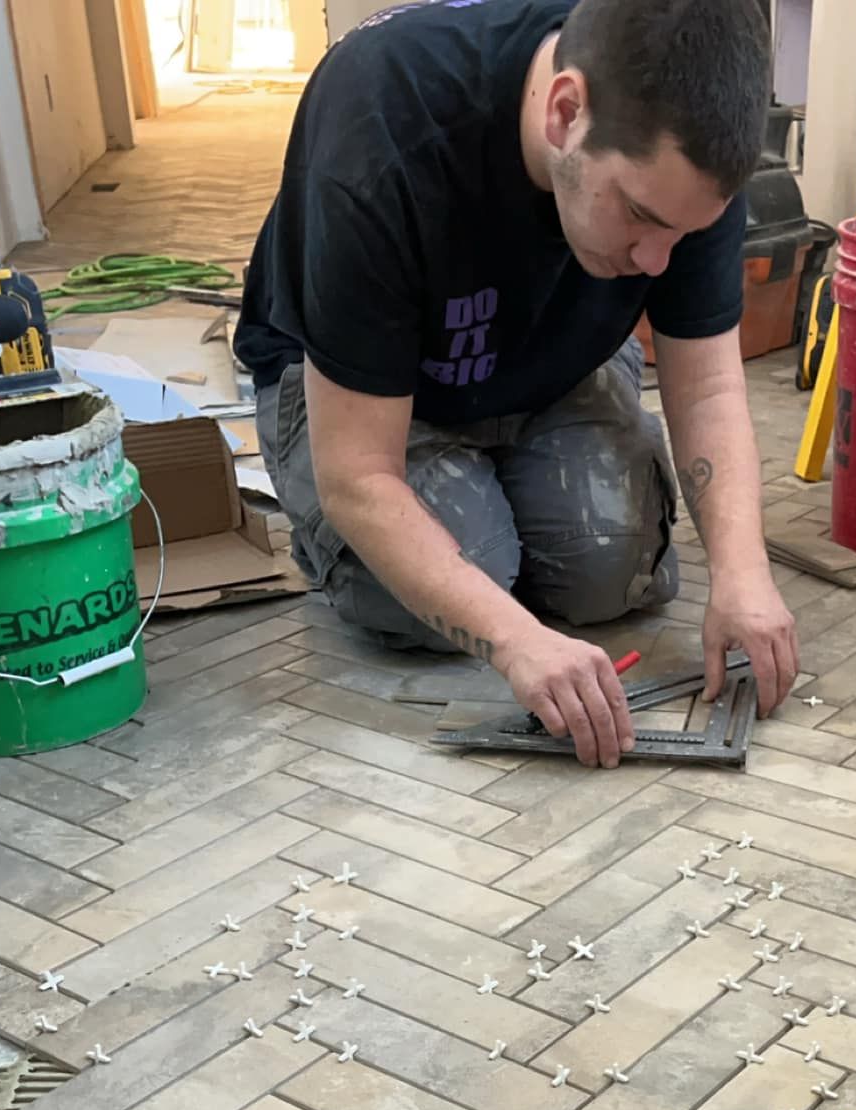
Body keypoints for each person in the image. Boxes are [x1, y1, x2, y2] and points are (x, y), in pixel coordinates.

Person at [236, 0, 799, 768]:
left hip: (545, 362)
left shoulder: (687, 162)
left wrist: (744, 575)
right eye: (638, 216)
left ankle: (496, 499)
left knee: (609, 569)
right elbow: (360, 476)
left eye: (686, 233)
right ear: (565, 112)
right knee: (449, 601)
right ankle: (405, 534)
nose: (659, 261)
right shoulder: (382, 126)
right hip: (367, 395)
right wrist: (515, 641)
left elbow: (705, 390)